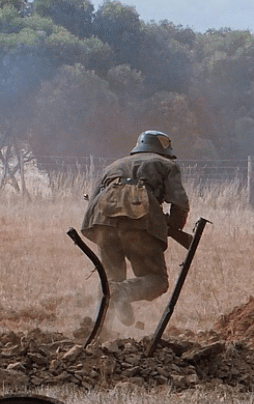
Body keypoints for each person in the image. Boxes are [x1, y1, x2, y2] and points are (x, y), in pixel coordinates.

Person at [80, 130, 190, 327]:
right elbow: (180, 204)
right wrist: (172, 227)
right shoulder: (167, 165)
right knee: (157, 280)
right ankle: (123, 292)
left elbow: (93, 201)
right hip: (141, 223)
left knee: (110, 279)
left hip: (102, 222)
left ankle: (101, 326)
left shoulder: (113, 166)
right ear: (164, 151)